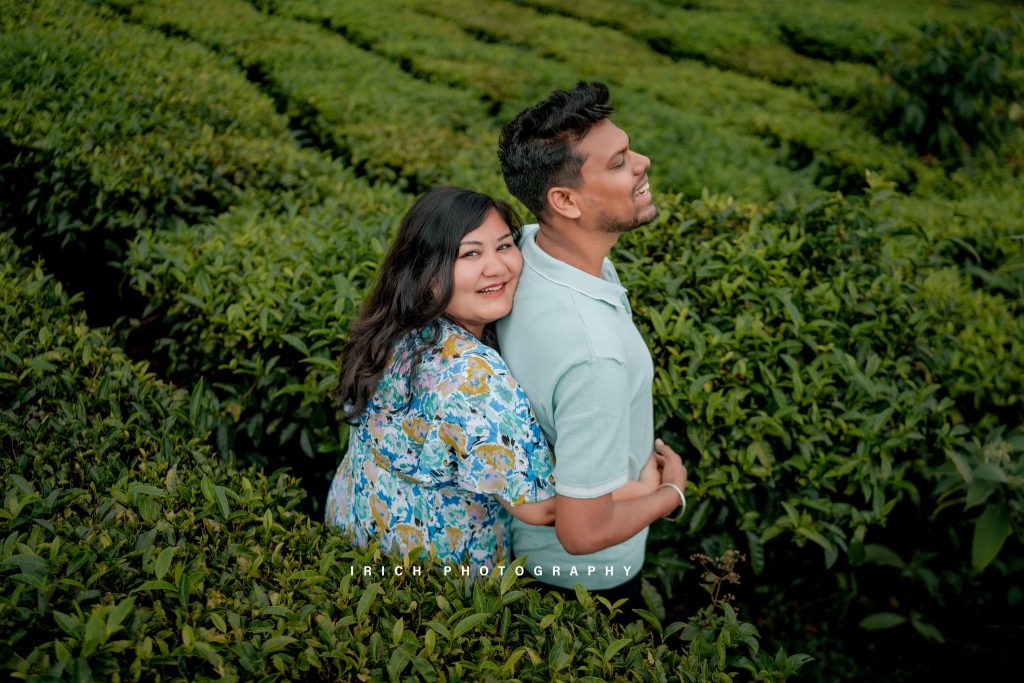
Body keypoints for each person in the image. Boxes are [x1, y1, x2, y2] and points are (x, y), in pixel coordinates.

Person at [324, 186, 665, 570]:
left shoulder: (395, 329)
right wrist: (655, 492)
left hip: (352, 530)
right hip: (432, 580)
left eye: (504, 246)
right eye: (471, 253)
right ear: (427, 274)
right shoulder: (477, 380)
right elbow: (538, 509)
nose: (497, 267)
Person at [496, 82, 688, 601]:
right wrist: (671, 493)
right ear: (564, 200)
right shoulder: (592, 358)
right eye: (620, 162)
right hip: (585, 583)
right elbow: (582, 533)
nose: (643, 162)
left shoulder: (528, 249)